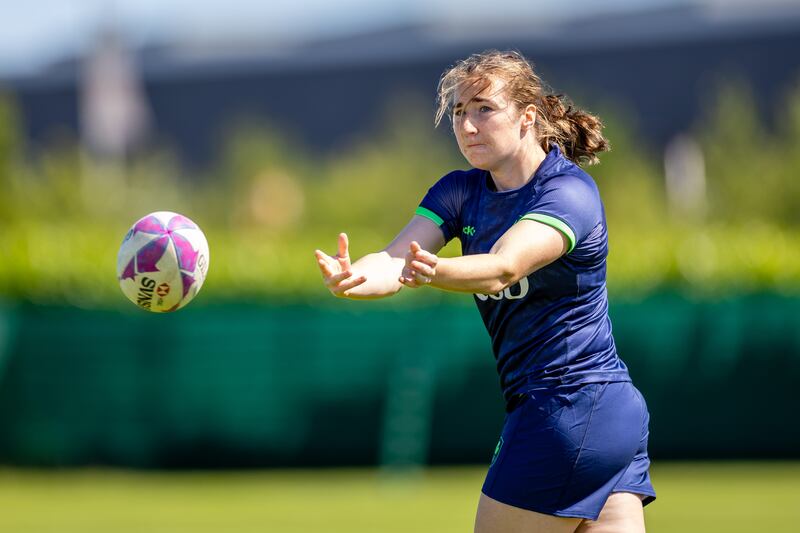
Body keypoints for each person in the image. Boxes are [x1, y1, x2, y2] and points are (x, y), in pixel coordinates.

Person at [314, 50, 655, 533]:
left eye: (484, 109)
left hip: (565, 410)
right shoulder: (459, 192)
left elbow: (502, 267)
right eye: (458, 113)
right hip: (599, 418)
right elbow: (395, 257)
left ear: (527, 118)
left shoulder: (568, 193)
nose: (467, 126)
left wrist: (433, 271)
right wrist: (355, 277)